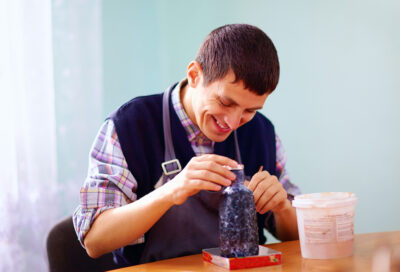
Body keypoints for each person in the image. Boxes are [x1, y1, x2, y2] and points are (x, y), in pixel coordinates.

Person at [73, 23, 301, 266]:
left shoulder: (261, 133)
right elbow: (95, 241)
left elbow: (297, 238)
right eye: (225, 102)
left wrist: (282, 208)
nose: (234, 121)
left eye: (250, 110)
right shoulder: (128, 126)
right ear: (194, 75)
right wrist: (171, 191)